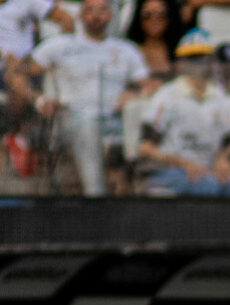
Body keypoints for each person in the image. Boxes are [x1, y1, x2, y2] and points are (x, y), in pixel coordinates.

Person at [5, 0, 149, 196]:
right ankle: (95, 196)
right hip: (71, 119)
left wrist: (137, 94)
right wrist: (39, 100)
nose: (96, 15)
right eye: (90, 10)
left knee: (140, 110)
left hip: (116, 119)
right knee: (87, 126)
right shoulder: (61, 45)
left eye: (102, 10)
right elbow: (15, 74)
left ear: (111, 15)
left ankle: (136, 175)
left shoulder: (126, 49)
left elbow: (148, 84)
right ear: (80, 15)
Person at [138, 28, 230, 196]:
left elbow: (228, 141)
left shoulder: (218, 96)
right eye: (194, 58)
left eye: (206, 58)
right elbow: (146, 148)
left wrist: (222, 159)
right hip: (169, 170)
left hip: (207, 168)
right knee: (207, 186)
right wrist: (182, 163)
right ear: (182, 63)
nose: (202, 64)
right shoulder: (167, 96)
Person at [1, 0, 74, 179]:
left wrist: (60, 51)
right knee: (13, 71)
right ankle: (23, 130)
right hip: (7, 65)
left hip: (28, 67)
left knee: (17, 73)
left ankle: (17, 137)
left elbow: (66, 20)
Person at [125, 0, 184, 93]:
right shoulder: (129, 50)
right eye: (147, 15)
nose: (154, 20)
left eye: (161, 15)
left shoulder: (181, 51)